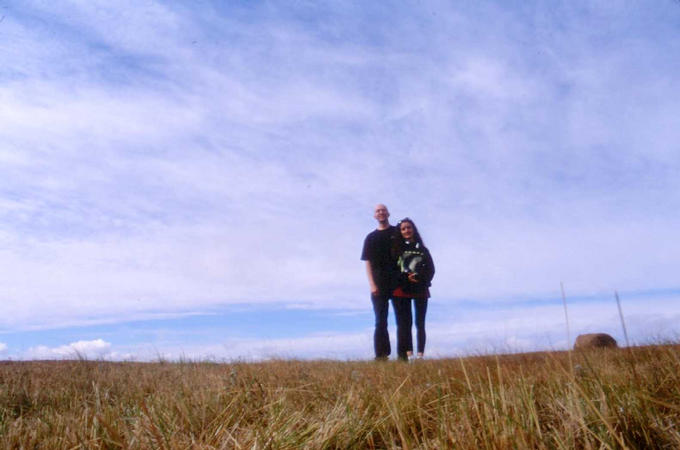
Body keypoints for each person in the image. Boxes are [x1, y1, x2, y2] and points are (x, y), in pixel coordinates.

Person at [391, 218, 435, 361]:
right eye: (403, 229)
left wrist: (421, 278)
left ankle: (420, 355)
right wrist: (405, 278)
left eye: (408, 227)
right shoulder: (396, 248)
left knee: (420, 323)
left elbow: (431, 269)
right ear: (400, 231)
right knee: (405, 323)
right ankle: (409, 355)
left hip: (420, 289)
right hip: (402, 290)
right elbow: (392, 270)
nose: (406, 231)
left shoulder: (422, 249)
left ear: (413, 229)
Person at [361, 204, 397, 360]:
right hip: (379, 284)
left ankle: (404, 354)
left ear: (388, 213)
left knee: (403, 320)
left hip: (398, 282)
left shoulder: (397, 232)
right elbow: (367, 262)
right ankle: (382, 356)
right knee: (380, 321)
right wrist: (372, 284)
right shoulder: (370, 238)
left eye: (383, 210)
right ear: (374, 216)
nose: (381, 212)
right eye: (377, 211)